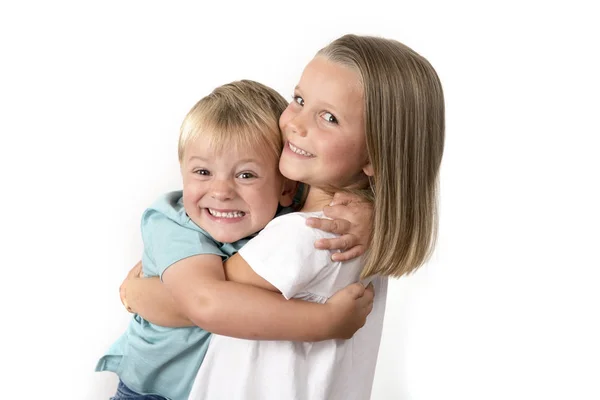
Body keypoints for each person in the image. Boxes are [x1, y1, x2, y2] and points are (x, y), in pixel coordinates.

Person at [97, 80, 375, 400]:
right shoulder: (171, 224)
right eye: (202, 172)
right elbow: (206, 302)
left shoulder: (283, 220)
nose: (221, 192)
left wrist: (368, 211)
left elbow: (328, 193)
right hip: (152, 393)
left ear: (286, 189)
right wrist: (327, 322)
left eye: (246, 175)